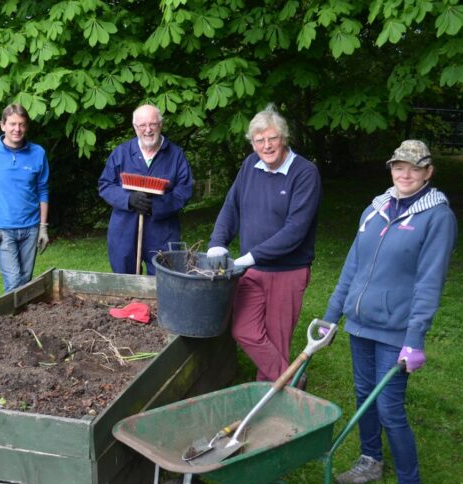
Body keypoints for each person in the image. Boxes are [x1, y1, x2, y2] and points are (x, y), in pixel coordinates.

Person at [322, 140, 457, 484]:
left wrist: (415, 337)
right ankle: (370, 460)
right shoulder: (376, 208)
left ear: (429, 171)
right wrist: (333, 315)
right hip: (360, 323)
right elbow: (352, 266)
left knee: (389, 407)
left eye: (414, 168)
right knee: (364, 396)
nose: (405, 174)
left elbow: (430, 282)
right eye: (399, 166)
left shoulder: (437, 217)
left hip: (396, 329)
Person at [207, 104, 322, 384]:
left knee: (276, 337)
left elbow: (295, 231)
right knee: (243, 329)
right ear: (253, 143)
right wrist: (217, 242)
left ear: (283, 139)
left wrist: (248, 258)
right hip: (254, 270)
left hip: (287, 272)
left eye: (272, 138)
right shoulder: (250, 166)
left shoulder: (305, 173)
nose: (266, 145)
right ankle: (291, 378)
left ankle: (270, 400)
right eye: (259, 140)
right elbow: (231, 207)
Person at [98, 104, 193, 275]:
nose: (148, 130)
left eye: (153, 124)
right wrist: (128, 199)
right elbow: (105, 184)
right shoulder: (121, 153)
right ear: (135, 127)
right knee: (124, 281)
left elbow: (183, 191)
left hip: (162, 230)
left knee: (162, 280)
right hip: (124, 229)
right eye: (142, 125)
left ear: (161, 125)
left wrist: (156, 206)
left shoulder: (176, 155)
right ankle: (131, 303)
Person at [0, 103, 50, 292]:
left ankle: (23, 320)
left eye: (22, 125)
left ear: (26, 127)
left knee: (26, 280)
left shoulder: (38, 153)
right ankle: (12, 320)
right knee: (14, 282)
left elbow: (43, 190)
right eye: (12, 124)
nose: (17, 129)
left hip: (31, 228)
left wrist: (43, 228)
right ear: (3, 125)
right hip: (3, 229)